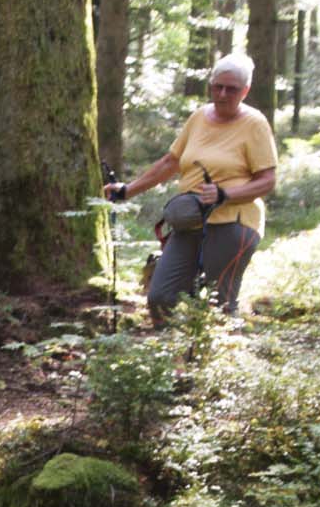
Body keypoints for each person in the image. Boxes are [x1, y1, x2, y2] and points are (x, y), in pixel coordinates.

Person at [105, 52, 278, 325]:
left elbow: (267, 180)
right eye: (217, 86)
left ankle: (221, 360)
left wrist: (224, 195)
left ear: (245, 91)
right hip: (190, 223)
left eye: (231, 89)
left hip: (234, 225)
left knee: (220, 305)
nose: (222, 94)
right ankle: (171, 359)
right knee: (160, 297)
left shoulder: (254, 124)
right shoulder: (199, 117)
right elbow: (171, 161)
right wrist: (127, 190)